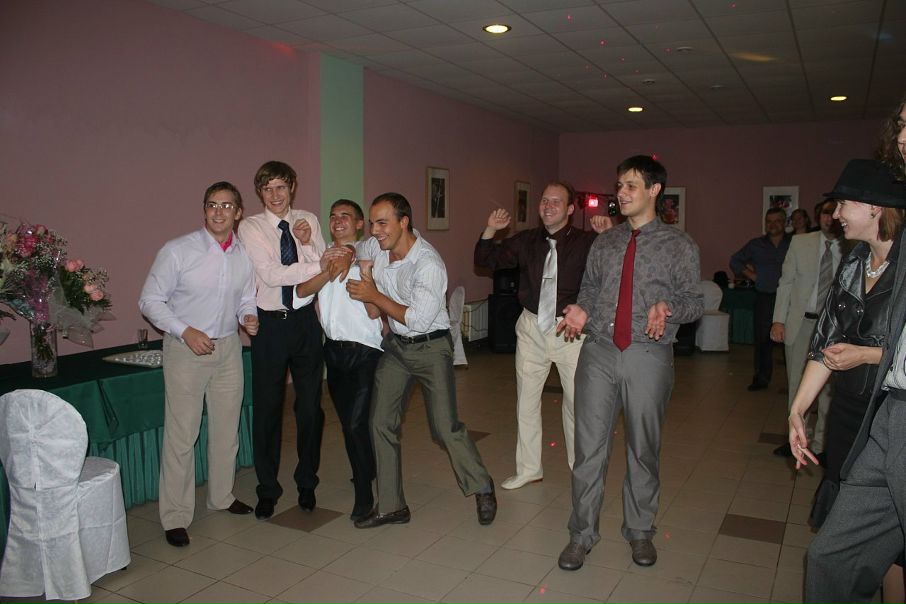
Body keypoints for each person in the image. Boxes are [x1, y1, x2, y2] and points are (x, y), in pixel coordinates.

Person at [555, 156, 703, 570]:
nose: (621, 193)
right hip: (599, 351)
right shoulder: (605, 242)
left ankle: (640, 531)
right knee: (588, 450)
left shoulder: (679, 245)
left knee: (643, 449)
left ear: (655, 190)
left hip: (648, 354)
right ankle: (581, 535)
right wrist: (581, 310)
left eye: (631, 185)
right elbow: (590, 290)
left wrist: (668, 307)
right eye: (619, 185)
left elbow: (695, 302)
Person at [791, 159, 906, 604]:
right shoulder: (854, 262)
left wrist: (867, 354)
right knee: (845, 541)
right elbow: (826, 341)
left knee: (893, 548)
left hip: (889, 411)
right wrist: (798, 409)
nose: (835, 214)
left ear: (875, 207)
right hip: (849, 411)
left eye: (843, 204)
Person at [347, 192, 497, 528]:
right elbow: (359, 248)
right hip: (398, 349)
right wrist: (357, 261)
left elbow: (417, 319)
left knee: (444, 428)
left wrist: (373, 295)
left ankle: (482, 485)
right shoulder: (378, 246)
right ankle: (392, 506)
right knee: (380, 422)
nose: (375, 230)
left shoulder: (428, 264)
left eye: (382, 223)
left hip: (431, 348)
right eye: (372, 223)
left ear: (404, 222)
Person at [138, 181, 259, 547]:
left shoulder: (243, 255)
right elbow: (149, 300)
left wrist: (249, 316)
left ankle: (221, 496)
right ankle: (175, 515)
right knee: (182, 435)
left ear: (238, 212)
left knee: (227, 429)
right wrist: (185, 330)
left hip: (228, 349)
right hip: (185, 350)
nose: (219, 212)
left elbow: (246, 297)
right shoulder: (178, 250)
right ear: (204, 210)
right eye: (212, 205)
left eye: (227, 205)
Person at [473, 182, 610, 490]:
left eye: (556, 201)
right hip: (532, 327)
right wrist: (490, 229)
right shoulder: (527, 240)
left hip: (570, 331)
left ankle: (580, 471)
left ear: (571, 208)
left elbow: (616, 268)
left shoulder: (587, 242)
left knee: (577, 405)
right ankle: (528, 469)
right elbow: (485, 259)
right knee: (526, 401)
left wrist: (609, 235)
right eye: (545, 200)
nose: (548, 206)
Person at [237, 160, 351, 519]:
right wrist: (320, 264)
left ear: (293, 188)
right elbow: (271, 275)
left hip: (304, 323)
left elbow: (325, 265)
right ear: (260, 193)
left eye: (281, 187)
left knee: (310, 408)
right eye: (267, 188)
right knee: (268, 409)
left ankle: (307, 482)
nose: (275, 195)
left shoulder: (308, 220)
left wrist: (306, 242)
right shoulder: (251, 227)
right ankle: (267, 489)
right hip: (269, 326)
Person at [293, 199, 382, 521]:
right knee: (349, 424)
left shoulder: (370, 255)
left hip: (366, 351)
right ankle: (367, 469)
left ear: (359, 224)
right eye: (333, 216)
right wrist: (326, 267)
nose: (338, 221)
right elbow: (301, 294)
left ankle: (364, 494)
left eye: (346, 216)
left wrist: (360, 267)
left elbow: (375, 311)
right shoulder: (323, 256)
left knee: (356, 423)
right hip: (333, 351)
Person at [770, 200, 844, 460]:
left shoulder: (851, 246)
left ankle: (822, 445)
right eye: (824, 213)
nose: (829, 218)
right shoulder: (801, 243)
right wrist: (778, 321)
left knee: (827, 390)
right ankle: (798, 439)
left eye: (833, 213)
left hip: (834, 328)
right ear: (818, 217)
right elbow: (786, 283)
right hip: (801, 323)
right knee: (796, 383)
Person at [730, 207, 791, 391]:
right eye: (769, 221)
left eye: (777, 221)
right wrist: (753, 276)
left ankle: (794, 382)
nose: (773, 225)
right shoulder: (756, 244)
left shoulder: (794, 243)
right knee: (763, 340)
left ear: (784, 223)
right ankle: (761, 378)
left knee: (791, 341)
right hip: (765, 296)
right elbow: (735, 260)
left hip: (790, 299)